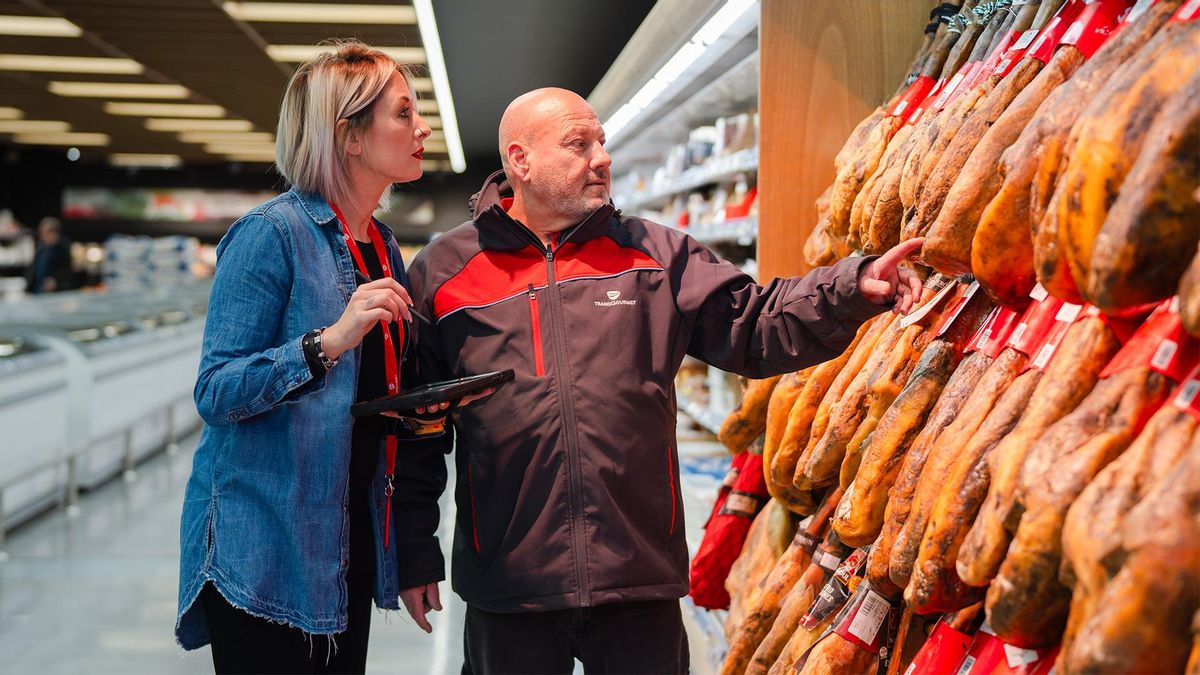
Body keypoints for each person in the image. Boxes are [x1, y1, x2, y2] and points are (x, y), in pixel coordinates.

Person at [397, 87, 924, 674]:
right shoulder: (445, 273)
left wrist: (850, 287)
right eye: (578, 144)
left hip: (636, 572)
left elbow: (755, 322)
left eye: (601, 142)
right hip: (510, 578)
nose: (601, 158)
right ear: (520, 160)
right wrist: (414, 552)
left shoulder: (654, 254)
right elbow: (417, 429)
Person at [175, 41, 452, 674]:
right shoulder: (270, 235)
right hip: (266, 551)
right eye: (404, 113)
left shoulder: (382, 245)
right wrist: (326, 342)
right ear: (348, 136)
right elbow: (216, 390)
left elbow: (369, 400)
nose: (423, 128)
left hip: (344, 543)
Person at [25, 217, 72, 293]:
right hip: (36, 291)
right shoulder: (41, 248)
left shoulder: (62, 249)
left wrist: (56, 280)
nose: (41, 236)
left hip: (55, 293)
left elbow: (66, 271)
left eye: (44, 232)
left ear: (53, 233)